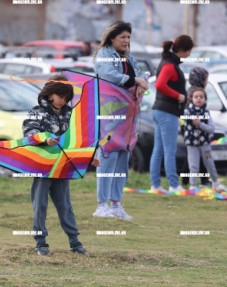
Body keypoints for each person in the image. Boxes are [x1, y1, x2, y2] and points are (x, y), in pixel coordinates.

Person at [23, 74, 99, 256]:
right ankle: (41, 242)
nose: (63, 100)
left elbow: (78, 139)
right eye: (61, 96)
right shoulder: (36, 111)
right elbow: (29, 132)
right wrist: (44, 139)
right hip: (42, 168)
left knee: (65, 205)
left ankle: (74, 242)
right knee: (40, 205)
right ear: (51, 93)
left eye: (67, 98)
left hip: (63, 167)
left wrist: (89, 157)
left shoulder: (70, 113)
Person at [92, 21, 148, 219]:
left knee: (123, 159)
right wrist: (134, 81)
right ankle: (102, 204)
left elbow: (140, 76)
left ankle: (116, 204)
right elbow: (110, 76)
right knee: (108, 156)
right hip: (110, 115)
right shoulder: (104, 55)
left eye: (129, 37)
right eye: (123, 37)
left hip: (129, 117)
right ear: (112, 38)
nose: (126, 41)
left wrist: (142, 83)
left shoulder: (129, 56)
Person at [150, 35, 193, 192]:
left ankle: (155, 185)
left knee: (159, 150)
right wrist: (179, 96)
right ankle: (174, 185)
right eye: (188, 51)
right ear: (182, 50)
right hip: (167, 112)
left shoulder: (168, 62)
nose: (189, 54)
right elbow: (160, 84)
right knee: (169, 150)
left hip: (159, 110)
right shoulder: (170, 65)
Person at [184, 87, 224, 190]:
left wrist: (200, 124)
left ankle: (216, 183)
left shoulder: (206, 113)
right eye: (196, 97)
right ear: (191, 98)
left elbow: (211, 129)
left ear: (205, 99)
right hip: (191, 144)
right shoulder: (187, 112)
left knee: (210, 164)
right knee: (193, 166)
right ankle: (192, 186)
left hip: (205, 144)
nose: (198, 99)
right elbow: (183, 120)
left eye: (201, 97)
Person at [184, 66, 211, 187]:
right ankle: (203, 180)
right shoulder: (197, 94)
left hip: (190, 128)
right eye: (205, 79)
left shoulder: (189, 91)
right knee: (201, 155)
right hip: (195, 128)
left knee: (191, 156)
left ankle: (186, 179)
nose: (206, 82)